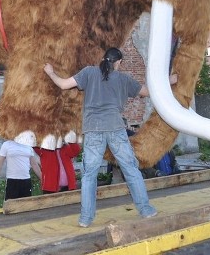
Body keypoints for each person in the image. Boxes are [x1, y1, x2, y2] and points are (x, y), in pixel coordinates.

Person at [44, 47, 177, 227]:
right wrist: (170, 80)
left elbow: (63, 84)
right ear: (118, 62)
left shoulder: (89, 73)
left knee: (89, 175)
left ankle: (85, 219)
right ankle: (145, 210)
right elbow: (147, 91)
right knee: (131, 169)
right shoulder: (122, 79)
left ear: (104, 59)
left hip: (93, 129)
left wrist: (51, 73)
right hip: (115, 128)